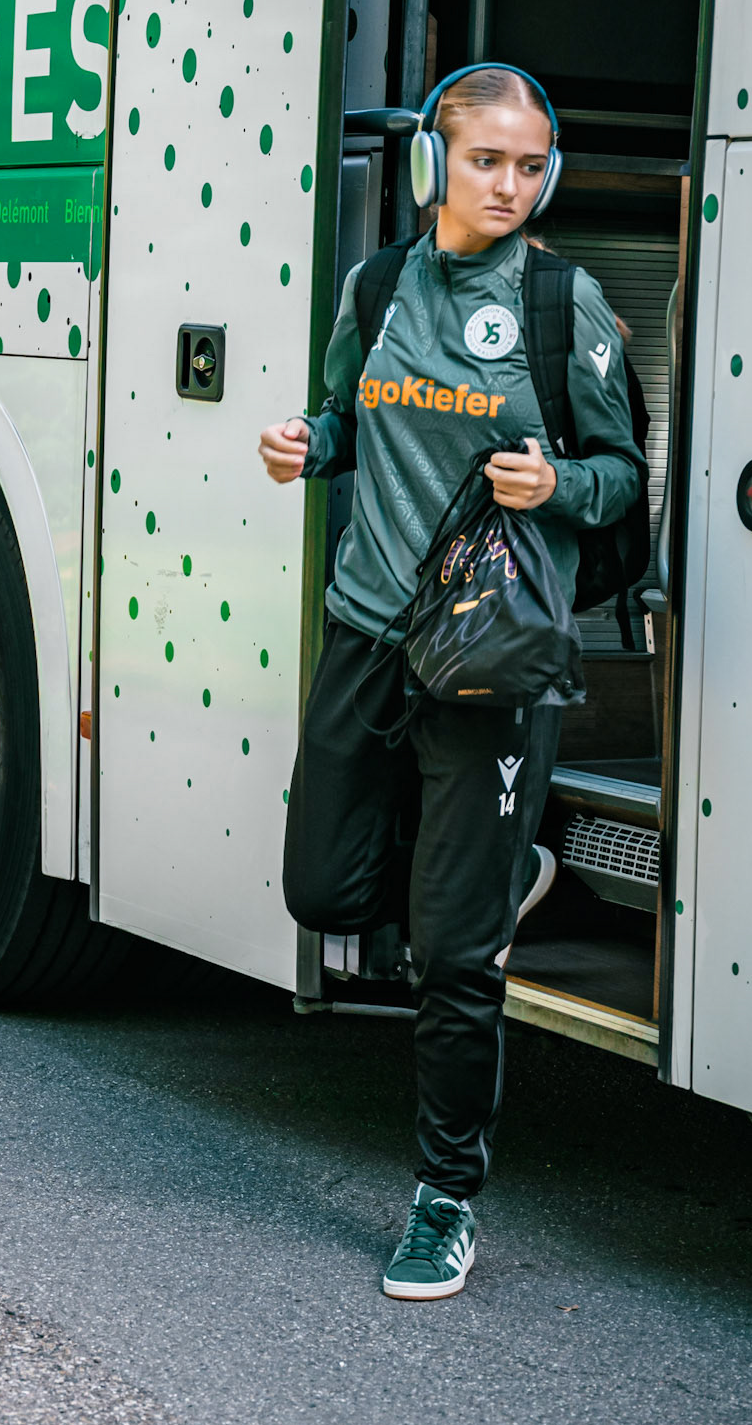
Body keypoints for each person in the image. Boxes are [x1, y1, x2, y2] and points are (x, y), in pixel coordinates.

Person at [258, 64, 645, 1301]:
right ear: (436, 163)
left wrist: (560, 486)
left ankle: (443, 1198)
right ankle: (484, 855)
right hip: (370, 633)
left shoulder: (559, 303)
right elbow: (343, 420)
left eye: (533, 165)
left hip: (488, 662)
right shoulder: (376, 289)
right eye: (490, 161)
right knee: (320, 886)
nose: (514, 184)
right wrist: (304, 444)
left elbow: (626, 475)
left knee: (454, 955)